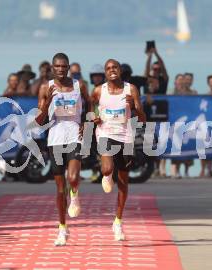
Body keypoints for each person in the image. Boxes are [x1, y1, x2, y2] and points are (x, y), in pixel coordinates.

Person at [35, 53, 91, 246]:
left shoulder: (79, 85)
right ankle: (62, 228)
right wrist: (48, 103)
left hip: (75, 135)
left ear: (69, 68)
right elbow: (39, 121)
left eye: (64, 66)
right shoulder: (45, 87)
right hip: (55, 139)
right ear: (52, 68)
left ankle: (75, 194)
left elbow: (90, 104)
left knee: (73, 178)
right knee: (60, 189)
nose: (60, 69)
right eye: (57, 66)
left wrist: (86, 122)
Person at [92, 59, 146, 241]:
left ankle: (118, 221)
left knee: (123, 182)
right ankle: (107, 174)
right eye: (108, 68)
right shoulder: (99, 90)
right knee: (107, 168)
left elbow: (143, 119)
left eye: (114, 67)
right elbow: (91, 109)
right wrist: (95, 118)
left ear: (120, 70)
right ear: (105, 73)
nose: (112, 70)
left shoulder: (131, 89)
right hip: (105, 133)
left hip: (125, 136)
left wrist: (134, 106)